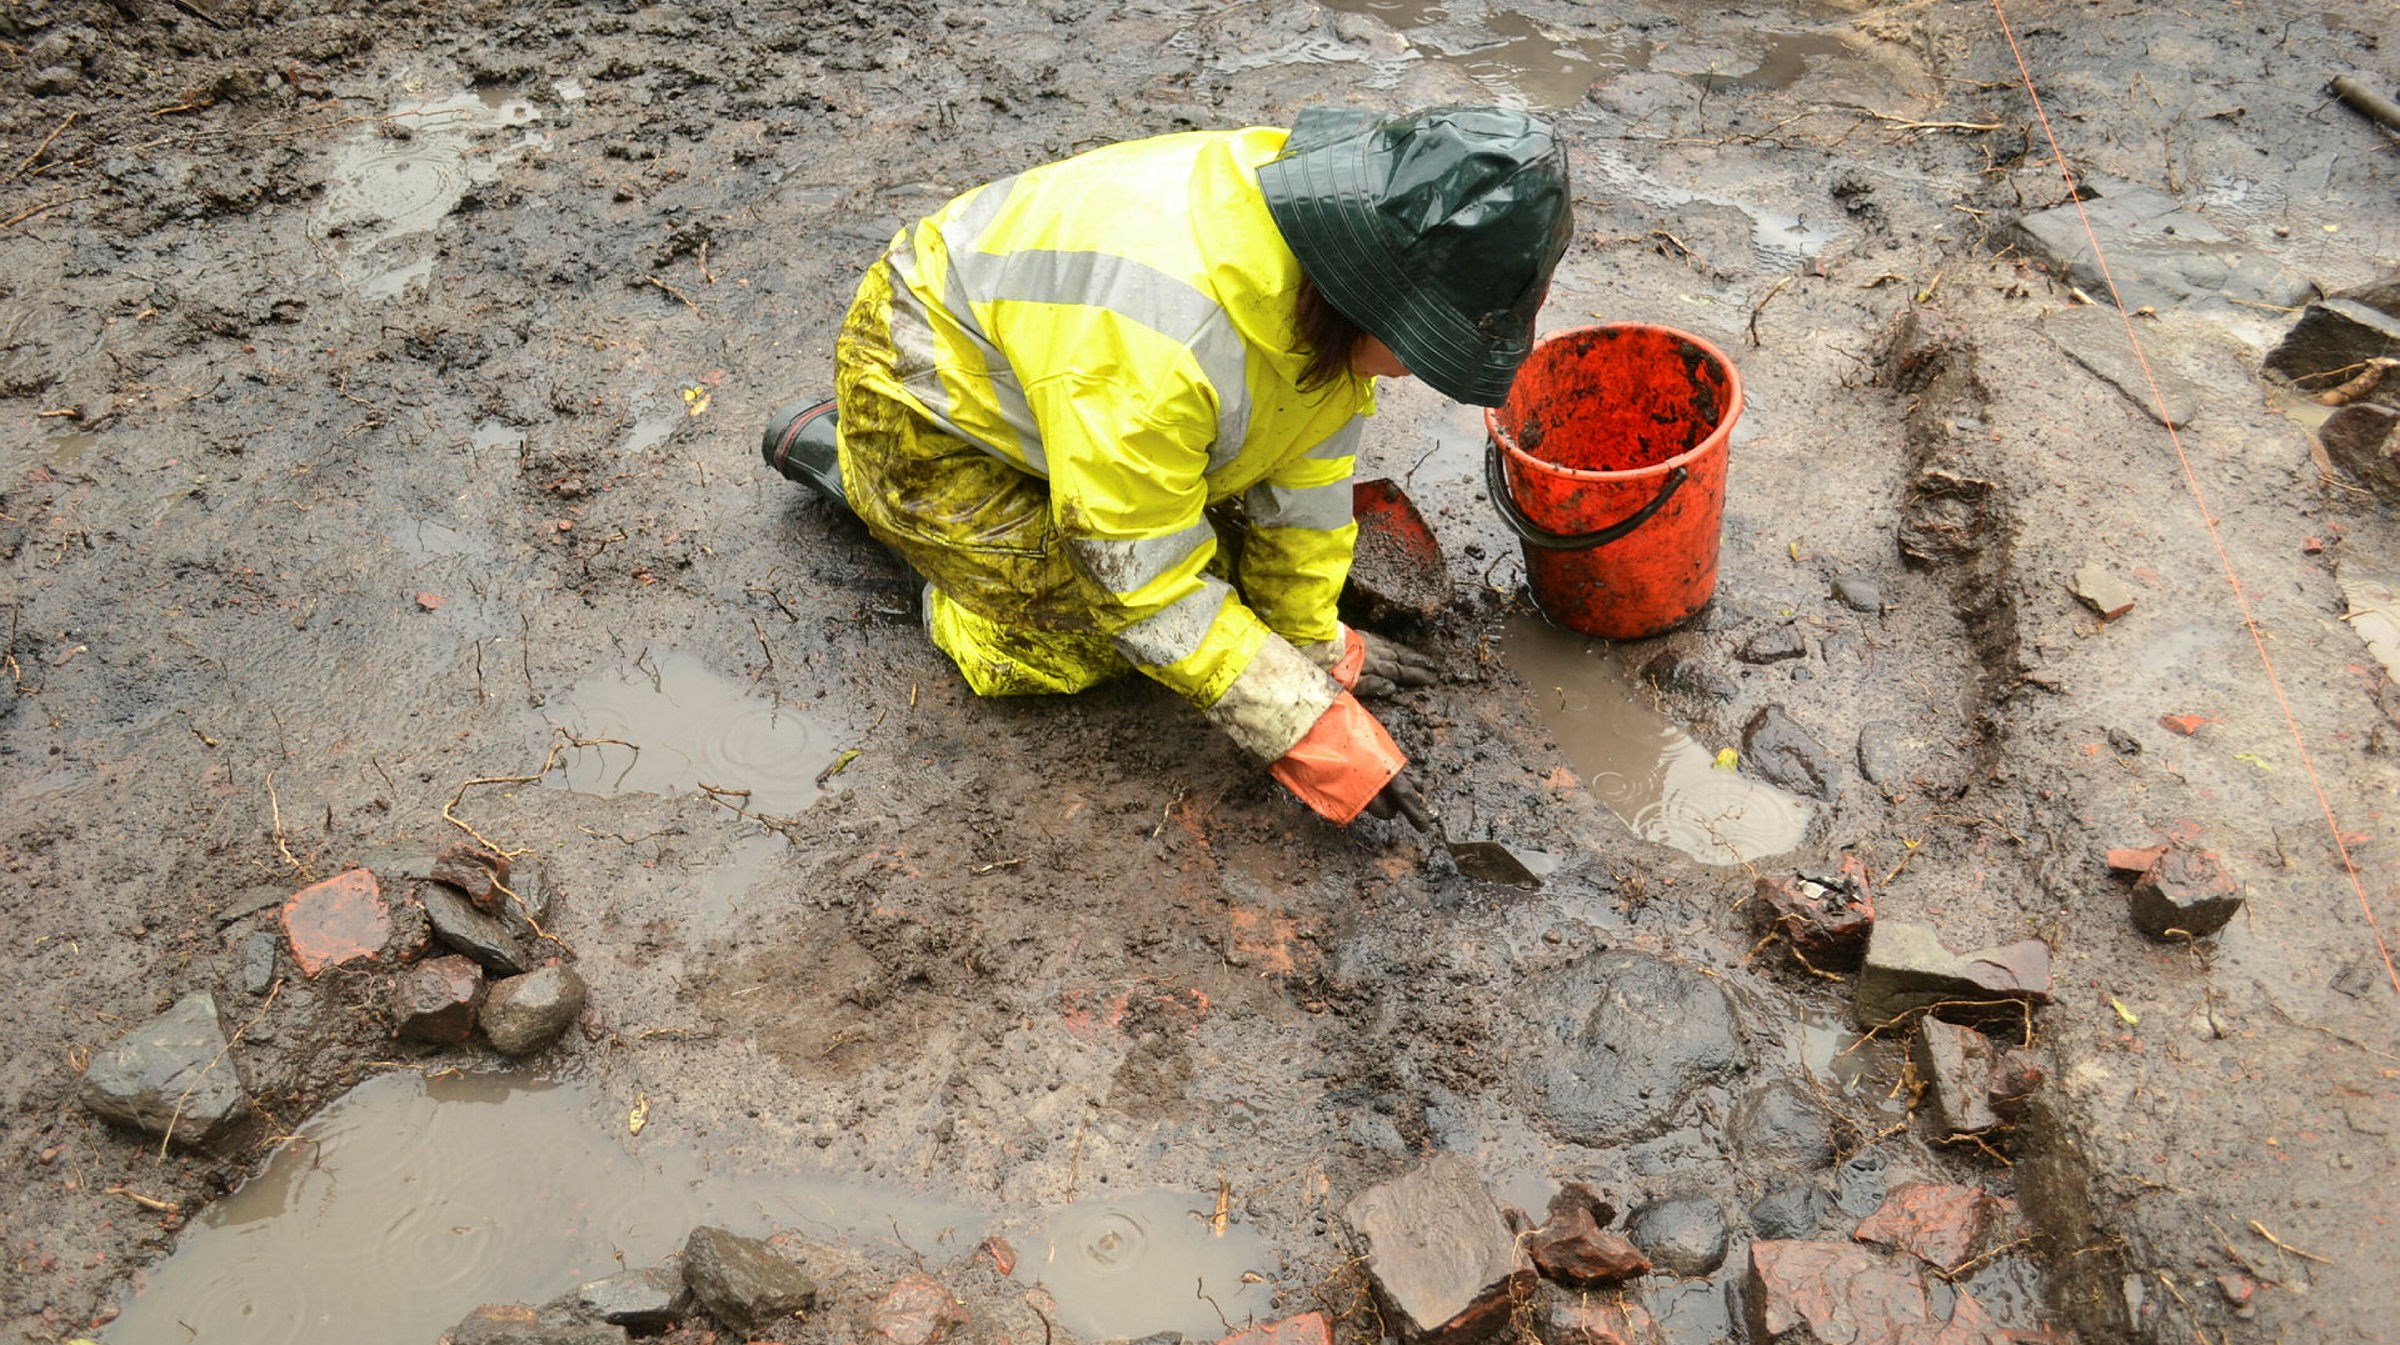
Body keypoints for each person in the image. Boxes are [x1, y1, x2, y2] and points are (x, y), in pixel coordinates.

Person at [763, 106, 1572, 829]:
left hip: (1055, 389)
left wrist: (1313, 647)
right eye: (1426, 342)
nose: (1417, 370)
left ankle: (909, 494)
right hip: (922, 398)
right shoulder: (1166, 346)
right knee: (1097, 636)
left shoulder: (1327, 257)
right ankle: (888, 513)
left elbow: (1306, 480)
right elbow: (1142, 591)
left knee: (1220, 588)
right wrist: (1306, 727)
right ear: (1373, 294)